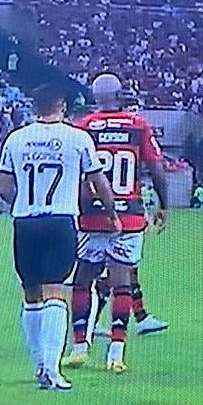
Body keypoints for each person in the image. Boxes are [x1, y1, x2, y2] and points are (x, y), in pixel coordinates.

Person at [0, 84, 119, 391]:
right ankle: (51, 369)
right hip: (60, 220)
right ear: (62, 106)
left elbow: (3, 186)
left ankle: (39, 363)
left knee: (31, 294)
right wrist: (112, 214)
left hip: (25, 221)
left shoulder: (16, 138)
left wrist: (20, 205)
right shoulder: (77, 138)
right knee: (56, 292)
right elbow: (97, 180)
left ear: (34, 106)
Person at [64, 73, 169, 373]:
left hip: (91, 215)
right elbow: (156, 168)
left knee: (83, 280)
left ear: (95, 97)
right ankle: (116, 354)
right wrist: (164, 205)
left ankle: (79, 346)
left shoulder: (83, 128)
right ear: (121, 95)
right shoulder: (138, 125)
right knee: (122, 280)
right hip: (130, 215)